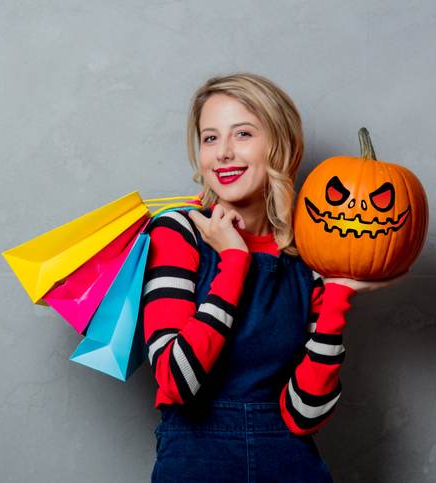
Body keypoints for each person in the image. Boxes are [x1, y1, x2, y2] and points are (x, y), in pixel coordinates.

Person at [141, 73, 404, 482]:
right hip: (194, 459)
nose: (223, 153)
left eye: (242, 134)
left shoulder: (310, 254)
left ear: (280, 146)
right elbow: (176, 381)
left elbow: (306, 415)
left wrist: (336, 295)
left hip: (290, 462)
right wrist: (233, 259)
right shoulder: (178, 232)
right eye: (210, 138)